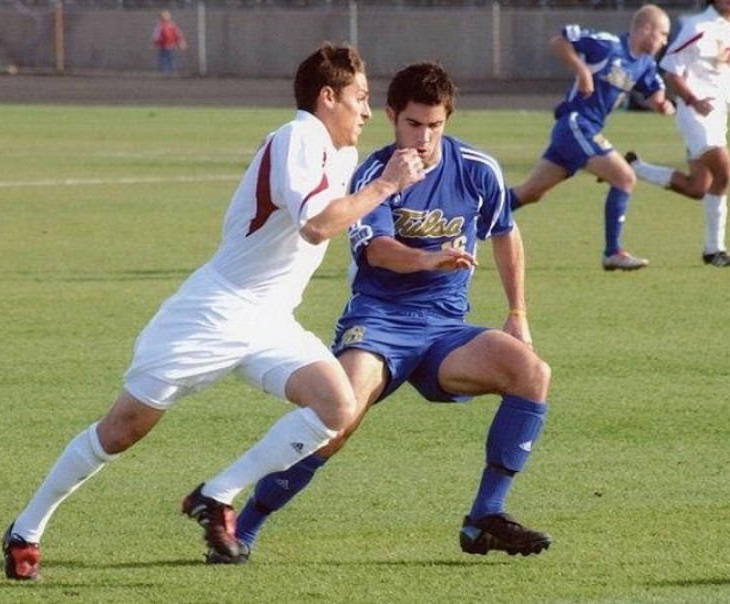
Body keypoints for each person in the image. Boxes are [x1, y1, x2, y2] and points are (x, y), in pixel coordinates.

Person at [1, 43, 426, 581]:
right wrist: (388, 183)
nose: (367, 111)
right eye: (360, 98)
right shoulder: (301, 134)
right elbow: (317, 224)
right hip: (214, 311)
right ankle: (26, 529)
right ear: (327, 98)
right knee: (122, 429)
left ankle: (217, 494)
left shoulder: (332, 150)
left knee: (337, 407)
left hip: (270, 320)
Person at [226, 61, 553, 563]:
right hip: (378, 324)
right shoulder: (375, 174)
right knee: (334, 423)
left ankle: (484, 517)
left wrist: (518, 313)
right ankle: (242, 530)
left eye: (434, 125)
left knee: (531, 373)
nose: (423, 138)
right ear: (391, 116)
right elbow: (377, 250)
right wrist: (430, 258)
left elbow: (506, 233)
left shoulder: (477, 169)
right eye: (413, 124)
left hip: (445, 331)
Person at [509, 5, 675, 272]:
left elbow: (655, 91)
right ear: (646, 28)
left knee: (530, 193)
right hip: (576, 124)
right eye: (663, 34)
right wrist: (582, 70)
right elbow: (559, 40)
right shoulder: (608, 45)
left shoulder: (644, 63)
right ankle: (613, 252)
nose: (665, 40)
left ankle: (473, 222)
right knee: (625, 177)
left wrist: (662, 104)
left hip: (580, 131)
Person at [628, 0, 730, 268]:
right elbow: (670, 70)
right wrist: (693, 100)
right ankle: (714, 250)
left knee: (697, 188)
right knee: (724, 172)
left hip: (719, 113)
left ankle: (636, 168)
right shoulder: (696, 26)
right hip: (695, 114)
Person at [151, 9, 187, 74]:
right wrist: (181, 42)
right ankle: (168, 70)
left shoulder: (164, 25)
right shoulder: (169, 25)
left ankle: (167, 70)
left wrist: (155, 42)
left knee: (166, 57)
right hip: (167, 45)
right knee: (168, 57)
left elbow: (156, 35)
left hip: (166, 45)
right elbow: (178, 34)